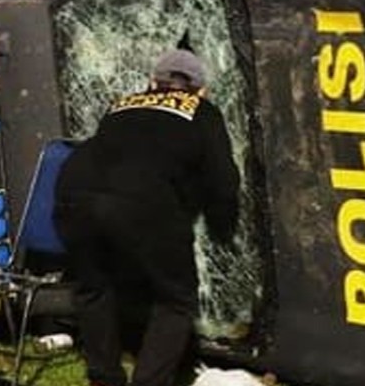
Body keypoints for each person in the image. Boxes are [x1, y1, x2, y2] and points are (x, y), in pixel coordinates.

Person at [55, 47, 240, 386]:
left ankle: (104, 377)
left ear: (152, 83)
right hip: (141, 199)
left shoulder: (122, 103)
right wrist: (224, 220)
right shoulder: (203, 110)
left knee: (93, 287)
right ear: (200, 90)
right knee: (176, 299)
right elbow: (224, 179)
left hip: (72, 191)